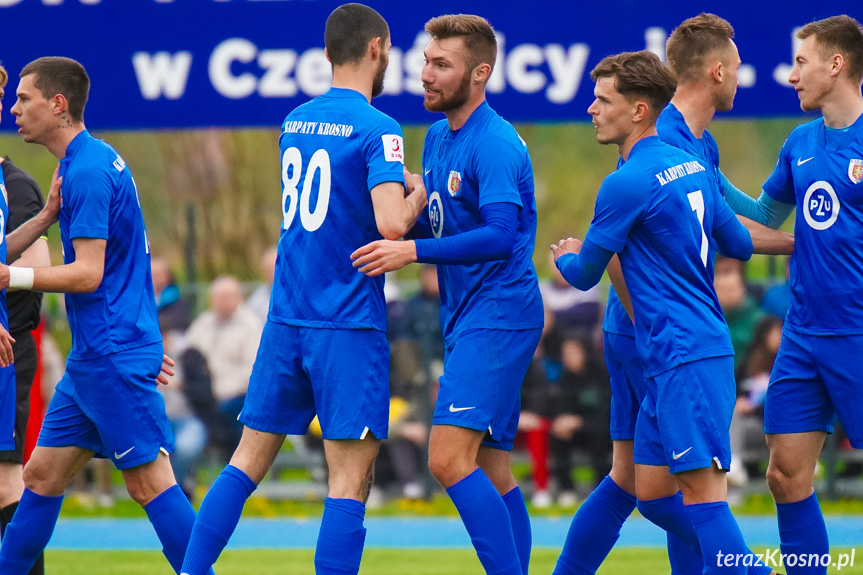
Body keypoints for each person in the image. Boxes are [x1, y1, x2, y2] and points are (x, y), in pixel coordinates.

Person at [179, 5, 427, 575]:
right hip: (345, 320)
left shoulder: (297, 119)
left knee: (245, 462)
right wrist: (416, 196)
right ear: (378, 48)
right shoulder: (378, 129)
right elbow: (390, 225)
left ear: (326, 55)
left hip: (286, 314)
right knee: (349, 479)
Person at [554, 15, 792, 575]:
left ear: (637, 107)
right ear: (716, 72)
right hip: (654, 338)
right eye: (736, 68)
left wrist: (816, 224)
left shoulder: (669, 153)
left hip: (666, 342)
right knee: (659, 490)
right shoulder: (678, 150)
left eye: (600, 99)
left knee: (646, 487)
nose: (592, 108)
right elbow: (730, 233)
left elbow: (744, 221)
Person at [0, 56, 210, 575]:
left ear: (58, 104)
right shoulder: (83, 162)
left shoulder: (89, 170)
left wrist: (14, 278)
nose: (14, 108)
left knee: (148, 482)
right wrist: (46, 218)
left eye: (24, 98)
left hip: (111, 353)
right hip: (98, 355)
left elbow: (90, 272)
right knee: (42, 477)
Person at [351, 14, 544, 575]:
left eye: (441, 65)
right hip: (469, 317)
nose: (425, 75)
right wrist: (404, 211)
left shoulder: (497, 143)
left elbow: (502, 234)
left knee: (446, 460)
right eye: (425, 62)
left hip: (499, 315)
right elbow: (440, 224)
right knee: (492, 469)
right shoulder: (438, 136)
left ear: (479, 73)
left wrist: (410, 253)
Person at [723, 15, 863, 573]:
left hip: (857, 332)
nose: (791, 75)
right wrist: (705, 173)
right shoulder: (800, 141)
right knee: (783, 475)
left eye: (801, 61)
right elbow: (760, 220)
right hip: (803, 336)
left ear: (836, 64)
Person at [0, 63, 51, 575]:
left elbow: (36, 274)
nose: (12, 108)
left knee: (10, 481)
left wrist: (40, 219)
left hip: (8, 350)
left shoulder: (17, 186)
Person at [185, 275, 263, 455]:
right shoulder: (202, 324)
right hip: (201, 397)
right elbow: (188, 359)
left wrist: (217, 392)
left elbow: (252, 372)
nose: (223, 301)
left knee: (223, 414)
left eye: (228, 296)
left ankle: (234, 467)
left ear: (240, 297)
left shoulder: (251, 326)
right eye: (219, 296)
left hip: (235, 397)